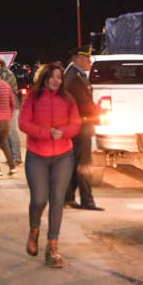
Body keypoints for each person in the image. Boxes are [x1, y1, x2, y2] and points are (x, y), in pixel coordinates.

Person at [19, 63, 82, 267]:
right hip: (37, 155)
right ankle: (34, 230)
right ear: (45, 77)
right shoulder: (32, 98)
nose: (56, 81)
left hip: (63, 155)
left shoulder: (68, 98)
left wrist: (63, 132)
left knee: (57, 199)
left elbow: (76, 123)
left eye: (59, 77)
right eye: (53, 77)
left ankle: (53, 247)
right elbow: (23, 123)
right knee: (39, 199)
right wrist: (46, 133)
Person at [61, 46, 103, 210]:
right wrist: (99, 111)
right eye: (87, 60)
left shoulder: (73, 74)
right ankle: (87, 200)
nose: (90, 63)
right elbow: (83, 104)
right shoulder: (75, 77)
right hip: (81, 125)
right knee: (84, 165)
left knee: (76, 163)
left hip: (78, 124)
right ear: (78, 59)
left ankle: (67, 197)